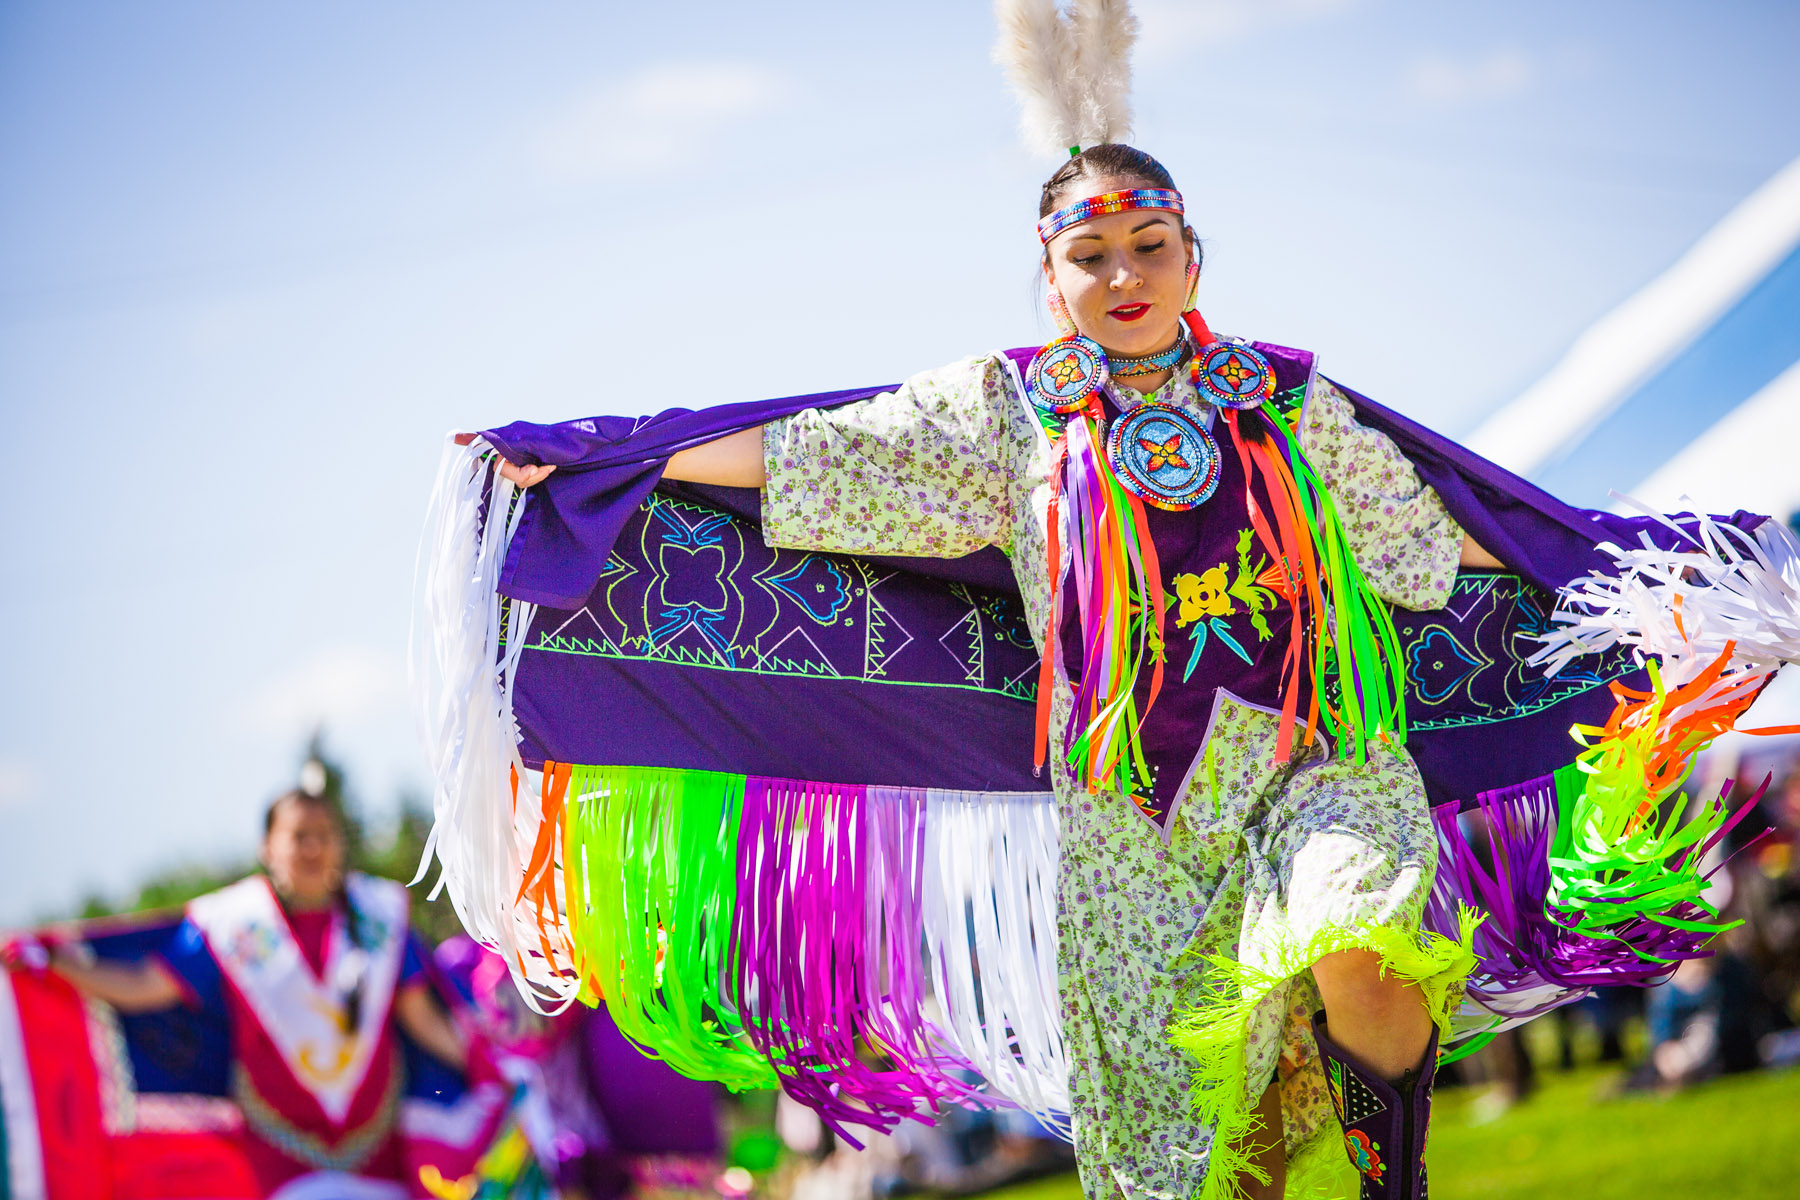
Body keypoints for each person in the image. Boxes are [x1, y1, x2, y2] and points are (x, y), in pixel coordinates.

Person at [450, 5, 1796, 1198]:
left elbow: (1439, 535)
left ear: (1194, 258)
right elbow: (815, 459)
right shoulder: (1006, 417)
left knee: (1357, 940)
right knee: (1187, 1154)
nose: (1125, 275)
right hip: (1134, 823)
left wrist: (1615, 566)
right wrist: (616, 461)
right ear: (1052, 280)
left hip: (1317, 762)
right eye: (1093, 257)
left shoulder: (1285, 399)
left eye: (1150, 245)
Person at [46, 788, 470, 1199]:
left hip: (382, 1152)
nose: (313, 848)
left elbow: (422, 1018)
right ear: (268, 848)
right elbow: (146, 986)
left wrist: (493, 1062)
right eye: (299, 836)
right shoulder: (232, 922)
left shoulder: (379, 914)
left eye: (325, 834)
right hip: (283, 1159)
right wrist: (54, 962)